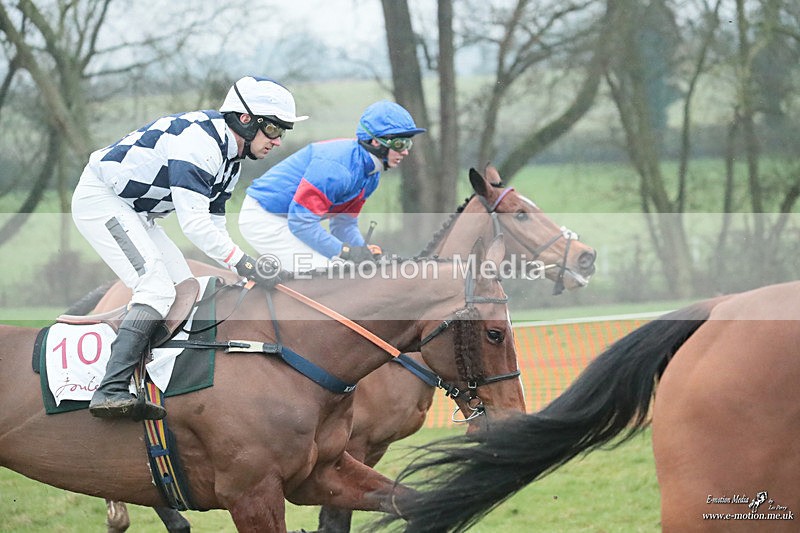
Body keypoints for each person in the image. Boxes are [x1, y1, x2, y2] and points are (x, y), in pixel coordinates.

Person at [71, 76, 307, 420]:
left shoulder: (231, 160)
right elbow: (193, 225)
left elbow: (214, 224)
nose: (278, 140)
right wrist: (245, 264)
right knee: (154, 289)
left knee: (186, 289)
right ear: (245, 119)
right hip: (101, 201)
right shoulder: (201, 144)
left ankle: (145, 374)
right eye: (272, 129)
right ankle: (110, 389)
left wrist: (242, 267)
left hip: (137, 213)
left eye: (282, 131)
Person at [238, 100, 425, 271]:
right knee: (326, 274)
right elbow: (301, 222)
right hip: (264, 218)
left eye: (409, 143)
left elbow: (343, 223)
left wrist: (364, 253)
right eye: (400, 143)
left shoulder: (370, 176)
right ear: (376, 141)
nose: (406, 151)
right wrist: (345, 252)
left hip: (289, 219)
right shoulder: (338, 170)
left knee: (348, 269)